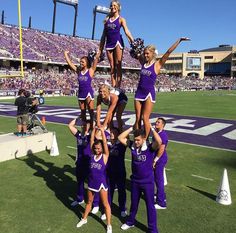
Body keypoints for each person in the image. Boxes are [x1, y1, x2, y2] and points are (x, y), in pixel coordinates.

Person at [134, 37, 190, 139]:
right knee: (137, 118)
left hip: (148, 94)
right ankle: (137, 138)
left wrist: (179, 40)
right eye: (145, 53)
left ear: (153, 54)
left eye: (147, 53)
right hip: (139, 92)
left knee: (145, 118)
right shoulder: (143, 62)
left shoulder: (157, 64)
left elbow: (168, 52)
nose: (145, 55)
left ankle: (145, 140)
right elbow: (134, 47)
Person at [118, 126, 162, 233]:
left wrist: (152, 129)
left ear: (143, 139)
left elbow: (159, 142)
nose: (136, 141)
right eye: (135, 139)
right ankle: (130, 222)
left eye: (138, 140)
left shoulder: (150, 148)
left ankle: (153, 229)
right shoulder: (132, 146)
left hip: (147, 182)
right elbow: (120, 138)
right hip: (135, 182)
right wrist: (131, 129)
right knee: (134, 204)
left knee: (150, 206)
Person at [76, 127, 112, 233]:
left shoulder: (105, 156)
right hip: (91, 182)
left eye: (99, 148)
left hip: (101, 184)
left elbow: (105, 143)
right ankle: (84, 219)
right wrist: (93, 131)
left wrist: (101, 132)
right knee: (89, 202)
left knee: (105, 204)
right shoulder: (92, 155)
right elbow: (91, 141)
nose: (97, 150)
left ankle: (109, 225)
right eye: (95, 148)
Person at [98, 0, 134, 88]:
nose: (112, 7)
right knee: (112, 66)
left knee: (118, 64)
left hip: (118, 42)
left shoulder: (121, 19)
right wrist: (100, 49)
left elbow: (126, 31)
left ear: (118, 7)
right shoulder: (107, 21)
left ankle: (118, 86)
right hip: (109, 44)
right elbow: (103, 36)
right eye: (111, 5)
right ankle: (114, 86)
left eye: (114, 5)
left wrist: (133, 41)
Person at [64, 50, 99, 128]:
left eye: (82, 62)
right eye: (80, 62)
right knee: (83, 112)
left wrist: (97, 54)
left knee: (91, 111)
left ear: (87, 63)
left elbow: (95, 61)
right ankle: (85, 128)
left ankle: (93, 127)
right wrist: (65, 54)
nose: (81, 63)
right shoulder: (78, 71)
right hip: (80, 93)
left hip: (88, 93)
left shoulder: (90, 71)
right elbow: (70, 64)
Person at [68, 118, 91, 206]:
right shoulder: (79, 135)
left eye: (85, 125)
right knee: (80, 182)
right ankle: (79, 199)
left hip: (89, 163)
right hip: (80, 163)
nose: (83, 126)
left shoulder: (91, 135)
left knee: (91, 184)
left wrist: (93, 120)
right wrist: (78, 117)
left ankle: (94, 203)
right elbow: (70, 125)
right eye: (82, 124)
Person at [107, 127, 127, 218]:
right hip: (109, 172)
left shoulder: (121, 145)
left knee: (121, 190)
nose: (111, 134)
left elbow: (126, 137)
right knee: (109, 191)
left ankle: (122, 208)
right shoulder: (106, 144)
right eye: (111, 132)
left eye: (114, 133)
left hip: (120, 171)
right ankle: (108, 208)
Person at [153, 117, 168, 210]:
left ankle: (161, 203)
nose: (156, 123)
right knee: (157, 179)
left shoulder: (163, 135)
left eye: (158, 122)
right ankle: (161, 195)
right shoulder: (157, 133)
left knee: (159, 180)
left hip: (160, 159)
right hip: (159, 158)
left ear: (163, 125)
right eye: (156, 122)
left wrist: (155, 159)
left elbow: (161, 149)